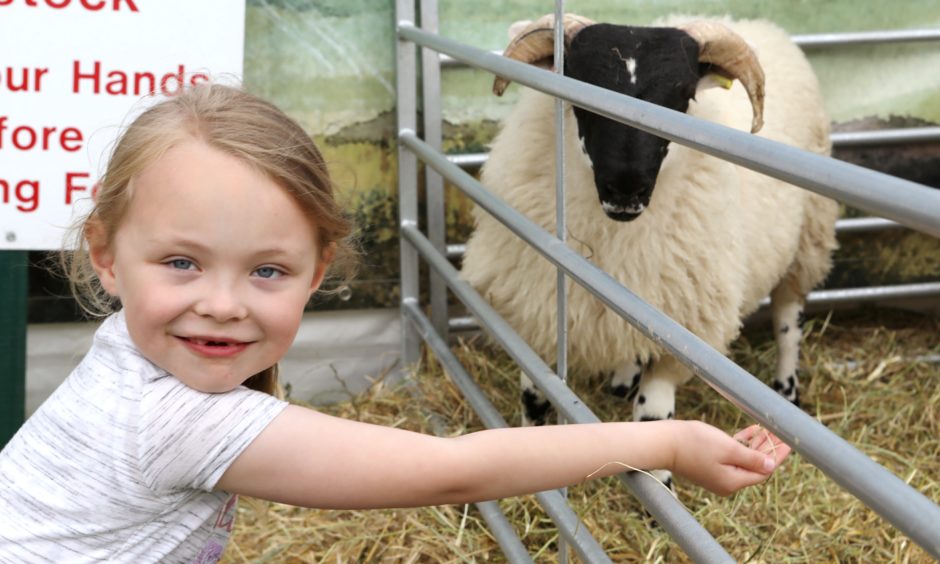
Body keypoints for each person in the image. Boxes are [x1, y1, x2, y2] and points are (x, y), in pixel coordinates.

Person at [0, 84, 791, 562]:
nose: (222, 302)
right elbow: (454, 470)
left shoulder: (127, 359)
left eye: (266, 270)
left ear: (317, 270)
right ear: (104, 256)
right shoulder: (173, 419)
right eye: (181, 263)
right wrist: (666, 440)